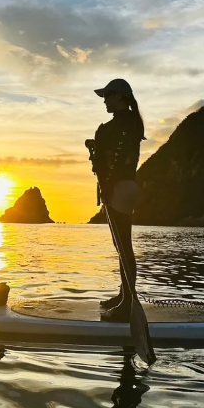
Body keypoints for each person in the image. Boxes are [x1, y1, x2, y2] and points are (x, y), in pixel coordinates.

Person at [87, 78, 145, 322]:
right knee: (120, 245)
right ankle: (124, 295)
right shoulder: (126, 123)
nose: (104, 101)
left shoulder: (126, 123)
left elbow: (118, 156)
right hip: (119, 186)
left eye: (108, 96)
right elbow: (109, 155)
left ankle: (128, 302)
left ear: (121, 96)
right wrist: (97, 148)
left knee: (124, 246)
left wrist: (98, 147)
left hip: (120, 187)